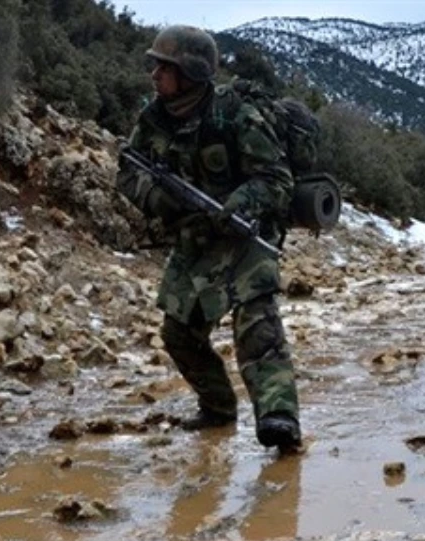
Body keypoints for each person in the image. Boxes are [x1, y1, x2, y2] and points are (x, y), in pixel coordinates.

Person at [116, 26, 302, 453]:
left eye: (164, 67)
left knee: (257, 326)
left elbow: (276, 180)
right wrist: (156, 197)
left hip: (245, 237)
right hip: (195, 238)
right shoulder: (153, 118)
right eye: (155, 65)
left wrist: (239, 202)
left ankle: (279, 418)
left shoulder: (236, 115)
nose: (154, 75)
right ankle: (217, 408)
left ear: (191, 72)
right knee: (178, 332)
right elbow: (128, 169)